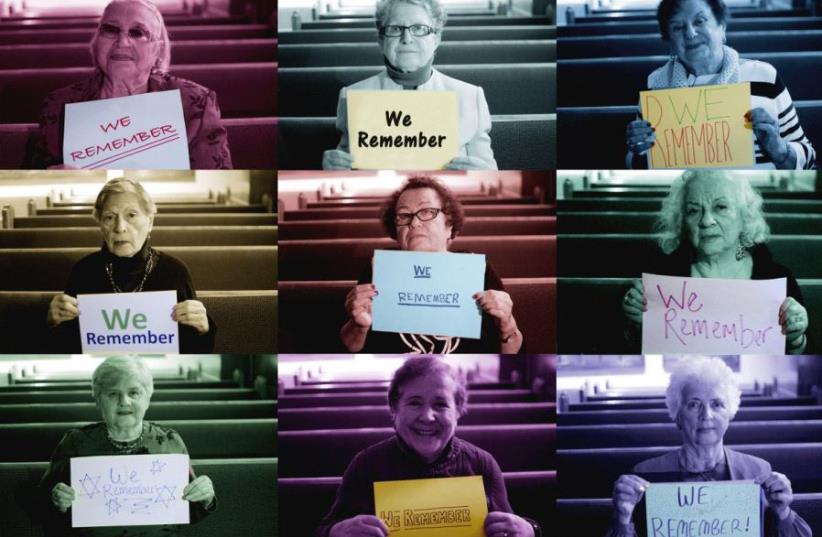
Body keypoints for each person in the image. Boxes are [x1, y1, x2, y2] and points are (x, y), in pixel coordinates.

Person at [317, 356, 541, 537]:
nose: (427, 416)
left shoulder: (482, 464)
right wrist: (336, 531)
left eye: (440, 404)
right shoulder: (365, 465)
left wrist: (530, 530)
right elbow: (323, 529)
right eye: (414, 403)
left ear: (458, 413)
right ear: (394, 409)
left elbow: (510, 528)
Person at [606, 357, 811, 537]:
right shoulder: (646, 475)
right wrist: (622, 518)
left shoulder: (758, 472)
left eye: (717, 404)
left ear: (730, 414)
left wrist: (783, 513)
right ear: (677, 416)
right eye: (694, 404)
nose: (707, 415)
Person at [28, 0, 232, 169]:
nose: (122, 42)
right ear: (96, 41)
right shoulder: (59, 104)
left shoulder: (194, 102)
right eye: (110, 29)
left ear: (158, 50)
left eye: (138, 32)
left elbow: (218, 177)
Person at [621, 170, 808, 354]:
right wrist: (637, 325)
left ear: (745, 217)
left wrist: (795, 338)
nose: (706, 221)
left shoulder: (778, 278)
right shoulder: (658, 280)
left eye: (720, 207)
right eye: (693, 210)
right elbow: (639, 347)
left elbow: (795, 349)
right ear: (683, 222)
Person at [624, 0, 816, 169]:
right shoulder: (656, 86)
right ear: (669, 41)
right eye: (677, 27)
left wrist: (780, 150)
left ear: (721, 28)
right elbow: (636, 163)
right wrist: (639, 150)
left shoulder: (764, 76)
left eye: (699, 21)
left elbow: (808, 157)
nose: (690, 33)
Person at [340, 176, 522, 354]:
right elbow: (351, 347)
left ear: (449, 225)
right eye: (404, 215)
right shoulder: (378, 269)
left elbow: (513, 352)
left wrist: (507, 327)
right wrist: (358, 326)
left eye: (426, 211)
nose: (415, 223)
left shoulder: (478, 270)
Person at [40, 356, 216, 536]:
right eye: (113, 394)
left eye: (134, 392)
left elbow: (190, 511)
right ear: (99, 400)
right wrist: (56, 501)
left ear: (147, 398)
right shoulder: (75, 442)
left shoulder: (170, 440)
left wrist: (205, 497)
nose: (124, 401)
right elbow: (42, 505)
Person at [322, 0, 497, 170]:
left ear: (436, 38)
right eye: (396, 28)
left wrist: (484, 173)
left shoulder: (470, 97)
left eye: (419, 28)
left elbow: (490, 172)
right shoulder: (352, 96)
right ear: (381, 41)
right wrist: (333, 168)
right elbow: (346, 164)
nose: (407, 38)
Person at [47, 178, 216, 352]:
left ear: (150, 222)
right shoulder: (84, 271)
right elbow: (68, 347)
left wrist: (203, 330)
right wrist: (54, 323)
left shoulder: (174, 271)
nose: (120, 227)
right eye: (109, 217)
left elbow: (192, 349)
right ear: (100, 225)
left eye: (131, 215)